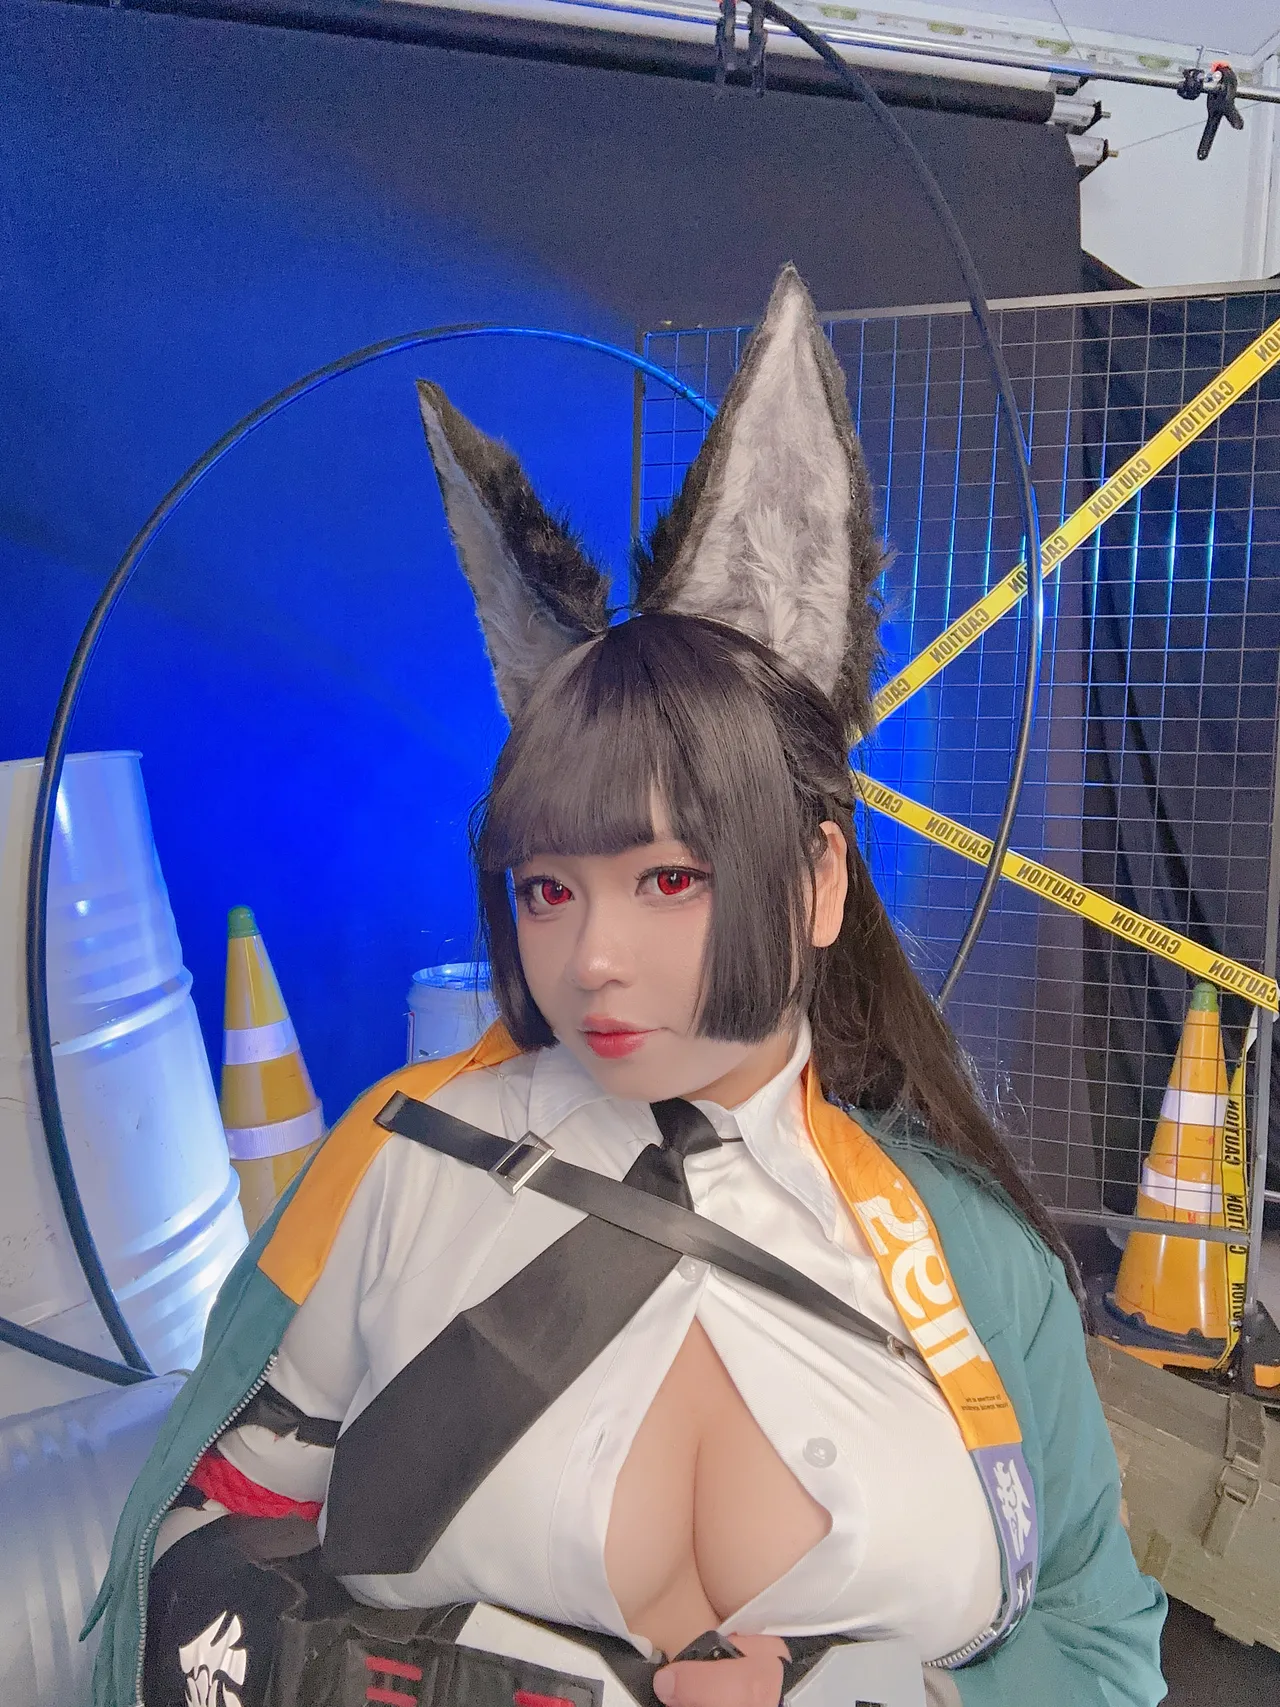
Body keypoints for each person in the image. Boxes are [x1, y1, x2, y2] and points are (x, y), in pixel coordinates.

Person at [85, 268, 1167, 1707]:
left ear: (819, 879)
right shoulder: (392, 1176)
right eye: (548, 887)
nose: (590, 955)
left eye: (668, 878)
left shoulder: (977, 1265)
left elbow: (1102, 1647)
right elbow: (180, 1569)